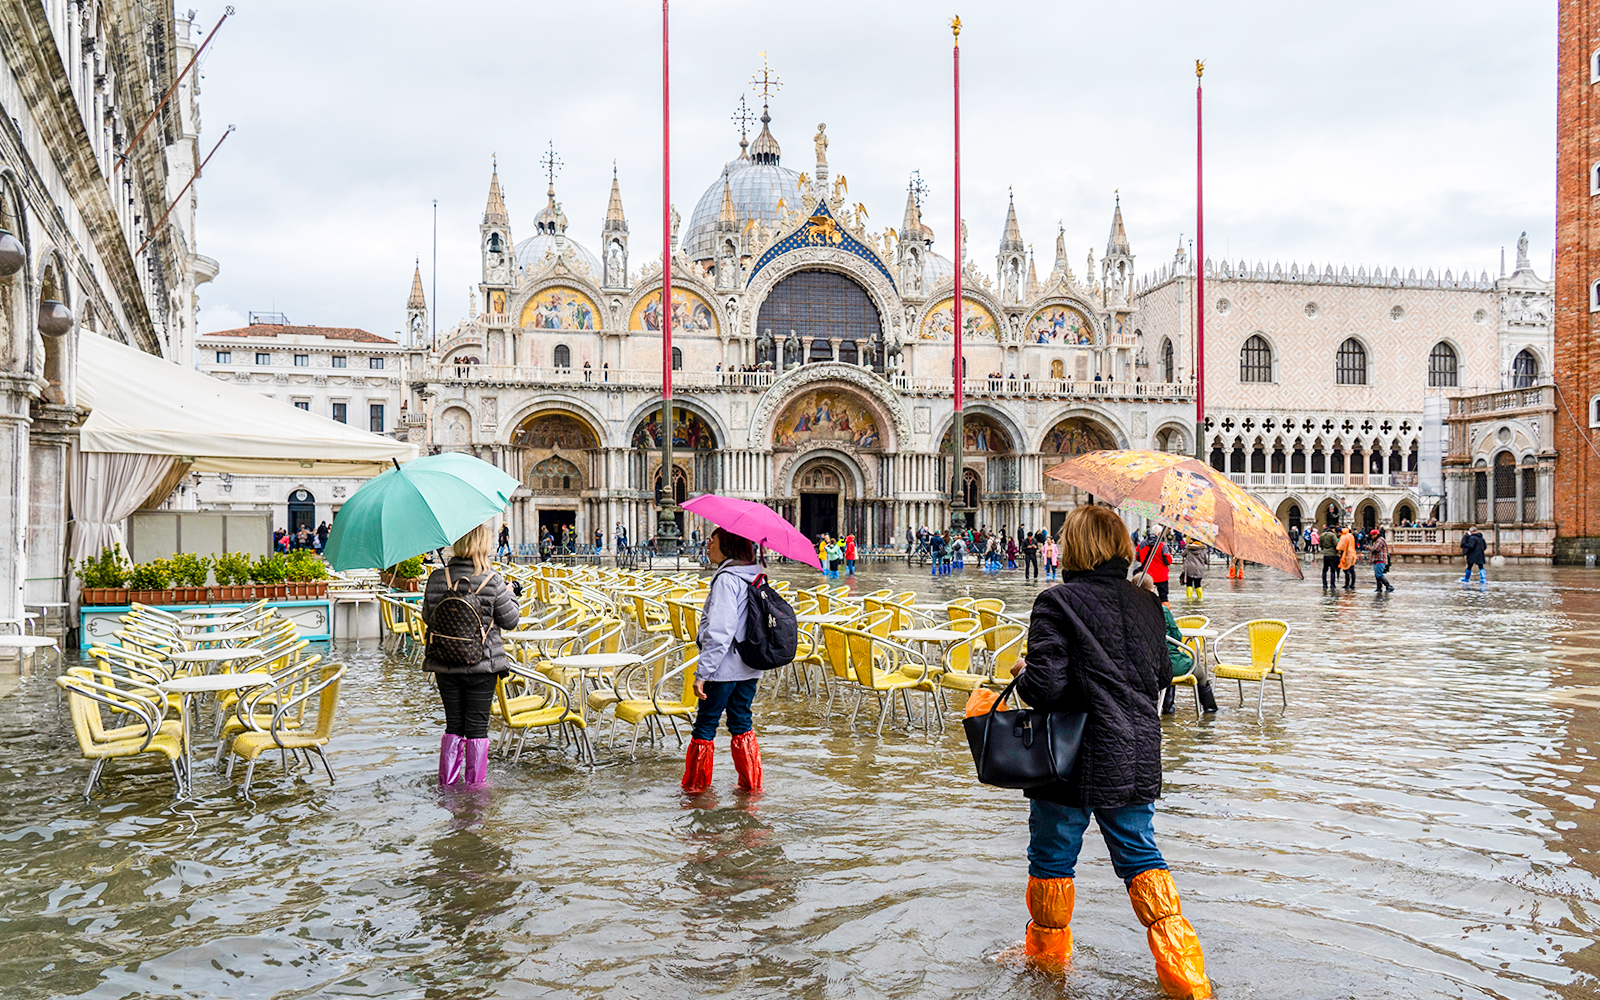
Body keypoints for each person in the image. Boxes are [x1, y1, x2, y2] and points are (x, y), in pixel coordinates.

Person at [1008, 505, 1211, 995]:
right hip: (1132, 754)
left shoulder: (1056, 602)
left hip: (1068, 761)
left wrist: (1022, 672)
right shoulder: (1148, 602)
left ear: (1073, 548)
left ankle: (1047, 968)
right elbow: (1164, 676)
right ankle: (1188, 979)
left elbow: (1047, 688)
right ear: (1120, 546)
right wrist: (1147, 615)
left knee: (1053, 860)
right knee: (1142, 857)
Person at [422, 520, 519, 788]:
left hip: (443, 662)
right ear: (482, 546)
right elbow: (510, 621)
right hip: (482, 665)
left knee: (453, 724)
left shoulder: (437, 578)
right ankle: (475, 791)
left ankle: (448, 786)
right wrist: (512, 595)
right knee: (477, 727)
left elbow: (429, 618)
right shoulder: (492, 580)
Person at [682, 527, 765, 794]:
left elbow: (720, 631)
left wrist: (702, 673)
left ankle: (696, 791)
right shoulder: (756, 575)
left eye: (711, 540)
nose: (707, 545)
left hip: (723, 668)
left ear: (726, 544)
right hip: (749, 666)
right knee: (741, 722)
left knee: (705, 726)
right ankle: (751, 788)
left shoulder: (727, 579)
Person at [1136, 534, 1172, 603]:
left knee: (1145, 597)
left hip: (1146, 575)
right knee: (1163, 597)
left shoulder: (1140, 544)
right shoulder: (1162, 545)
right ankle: (1165, 612)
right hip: (1161, 576)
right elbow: (1168, 561)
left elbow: (1137, 558)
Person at [1370, 528, 1394, 593]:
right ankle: (1379, 588)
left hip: (1380, 559)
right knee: (1377, 575)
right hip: (1377, 559)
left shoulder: (1380, 540)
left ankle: (1389, 586)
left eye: (1372, 535)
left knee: (1379, 574)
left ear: (1375, 535)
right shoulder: (1378, 540)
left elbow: (1376, 549)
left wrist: (1368, 548)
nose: (1371, 537)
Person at [1319, 524, 1340, 589]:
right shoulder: (1333, 535)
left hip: (1325, 554)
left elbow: (1320, 544)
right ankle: (1332, 584)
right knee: (1332, 570)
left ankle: (1324, 584)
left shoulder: (1322, 535)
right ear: (1333, 529)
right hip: (1332, 554)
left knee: (1325, 570)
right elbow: (1335, 544)